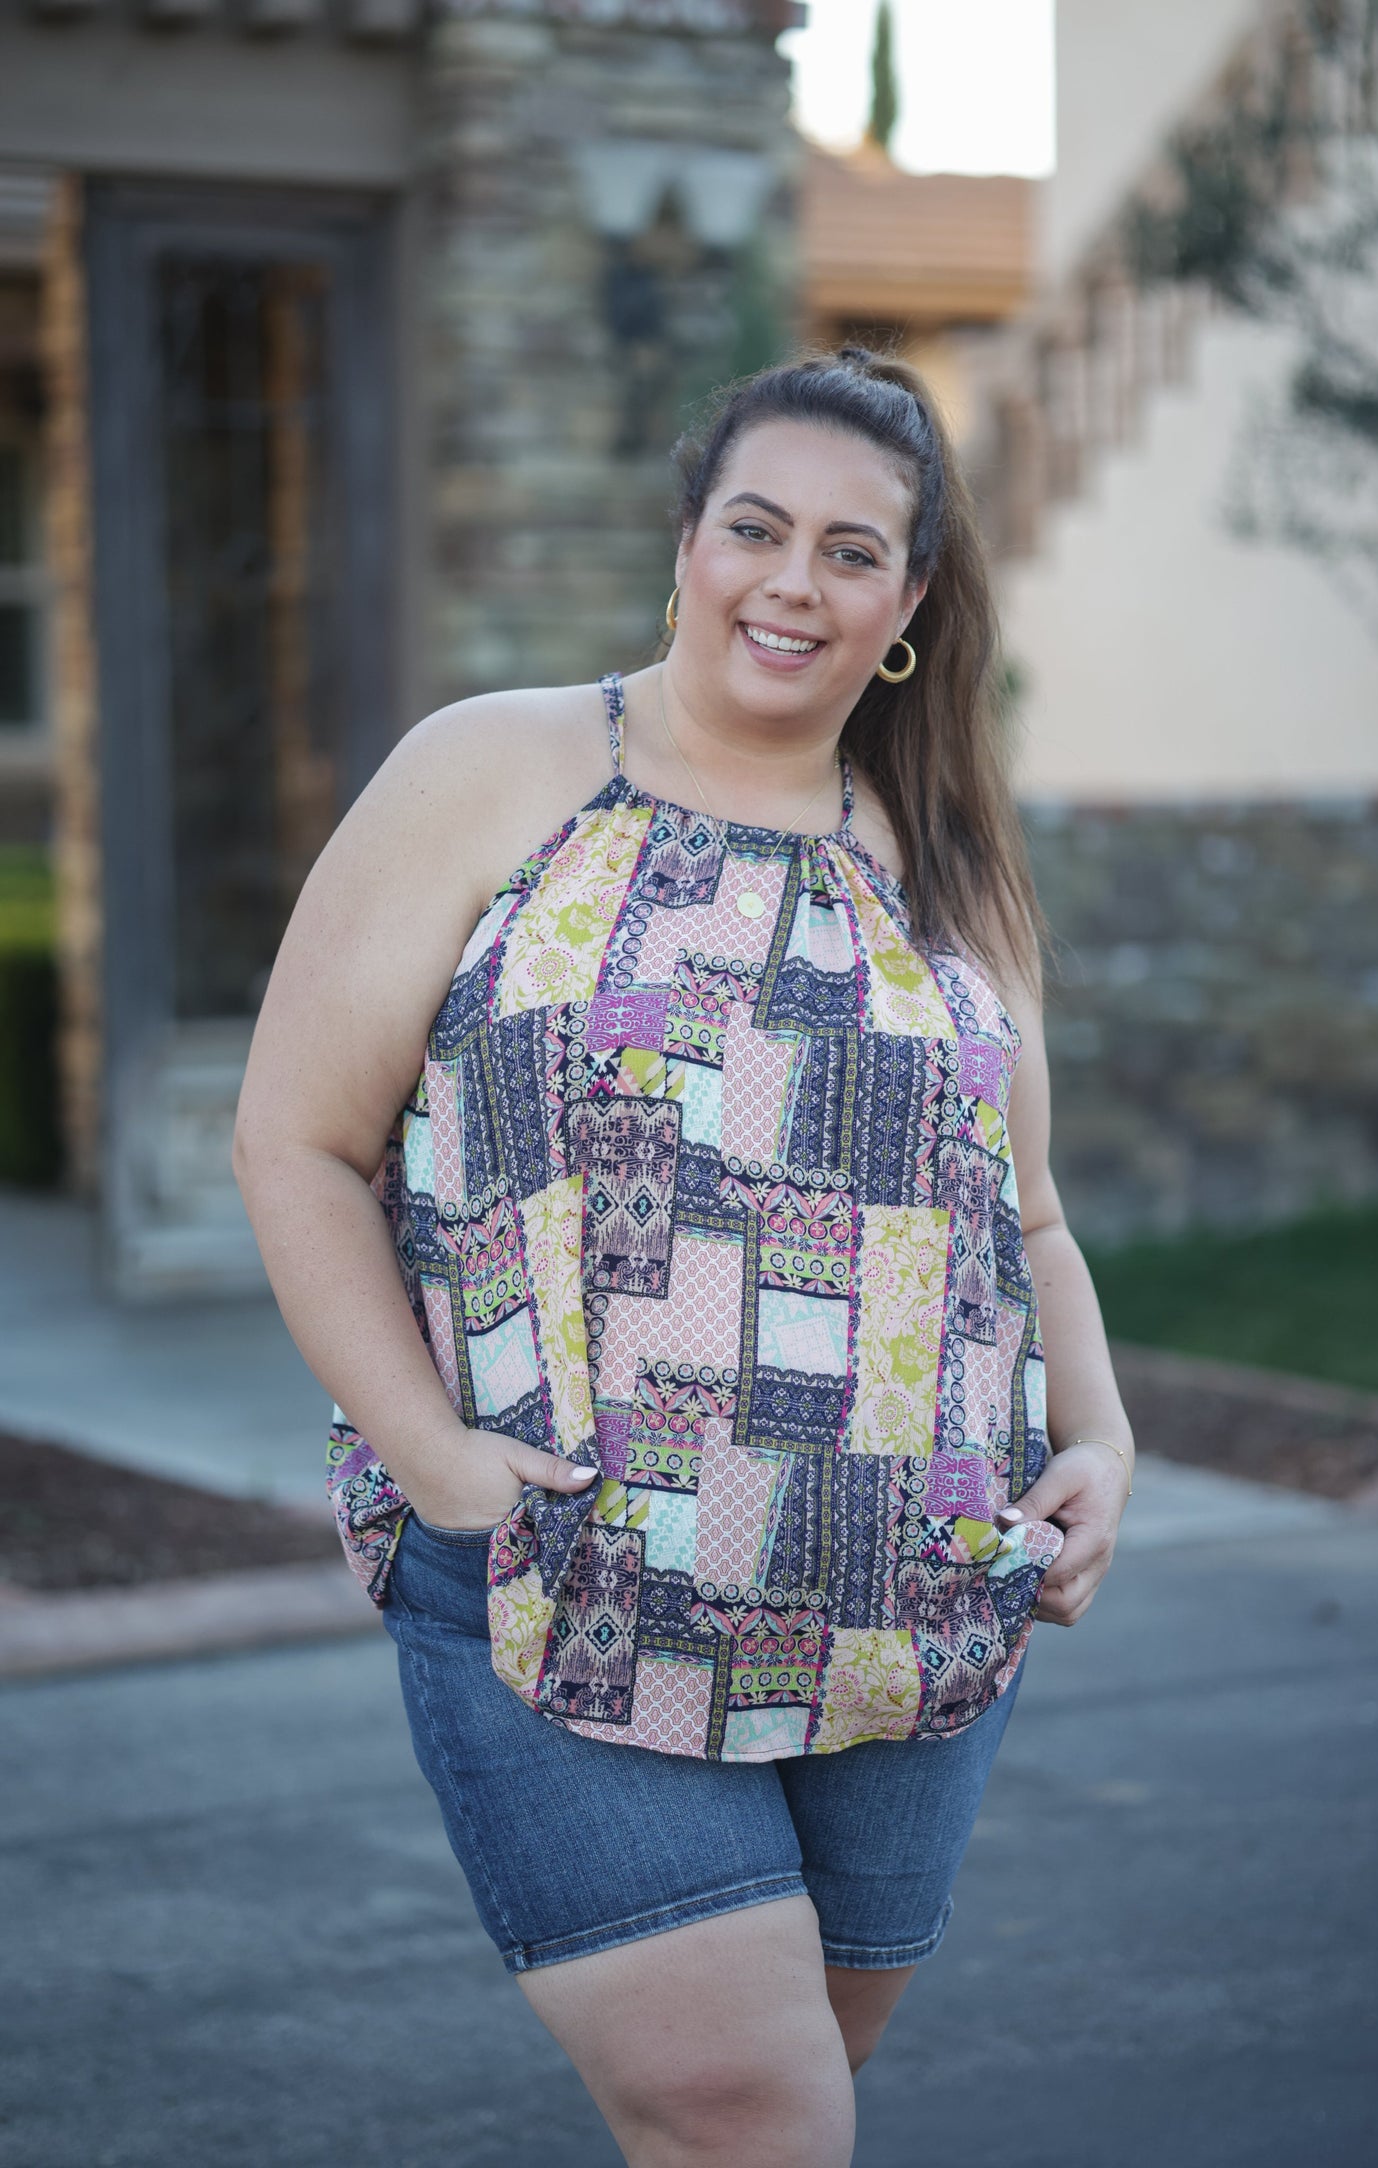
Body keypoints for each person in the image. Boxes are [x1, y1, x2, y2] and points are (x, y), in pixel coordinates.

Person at [233, 347, 1136, 2168]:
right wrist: (427, 1454)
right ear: (687, 544)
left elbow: (1020, 1211)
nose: (793, 583)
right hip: (566, 1578)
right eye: (756, 528)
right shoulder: (497, 769)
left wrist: (1100, 1441)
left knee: (771, 2116)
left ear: (907, 604)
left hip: (906, 1602)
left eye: (851, 551)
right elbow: (296, 1139)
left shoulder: (945, 849)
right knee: (753, 2114)